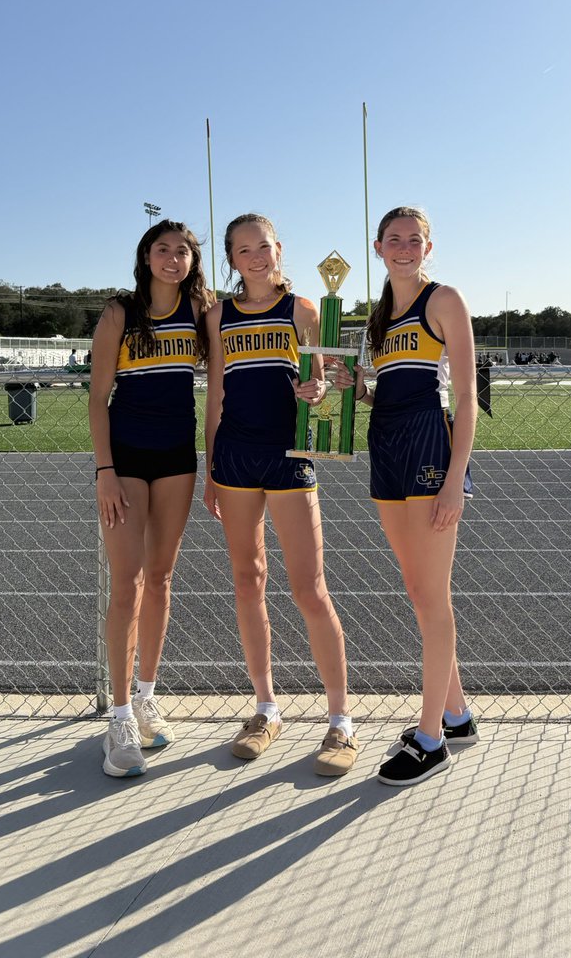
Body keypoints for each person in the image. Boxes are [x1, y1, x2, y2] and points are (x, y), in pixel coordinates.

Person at [203, 212, 359, 777]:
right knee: (248, 581)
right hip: (236, 459)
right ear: (232, 258)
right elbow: (215, 394)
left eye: (263, 246)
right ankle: (266, 709)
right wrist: (209, 468)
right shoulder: (218, 315)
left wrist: (317, 390)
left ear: (278, 249)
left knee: (309, 589)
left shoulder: (304, 310)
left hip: (290, 458)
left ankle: (341, 722)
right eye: (244, 249)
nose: (256, 256)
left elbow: (327, 383)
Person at [333, 206, 477, 787]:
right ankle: (457, 715)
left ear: (428, 246)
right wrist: (355, 387)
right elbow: (384, 394)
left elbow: (464, 397)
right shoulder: (379, 317)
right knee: (417, 587)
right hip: (385, 446)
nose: (403, 247)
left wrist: (454, 480)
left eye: (413, 239)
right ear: (377, 247)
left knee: (430, 595)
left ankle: (430, 739)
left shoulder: (444, 301)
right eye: (393, 239)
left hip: (427, 448)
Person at [89, 219, 213, 777]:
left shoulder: (203, 311)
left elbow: (238, 369)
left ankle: (144, 695)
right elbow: (96, 398)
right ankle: (116, 718)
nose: (172, 258)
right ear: (144, 257)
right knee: (127, 582)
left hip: (176, 459)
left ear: (191, 260)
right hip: (126, 460)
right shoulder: (120, 312)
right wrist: (105, 471)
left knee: (161, 577)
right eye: (162, 249)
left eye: (181, 251)